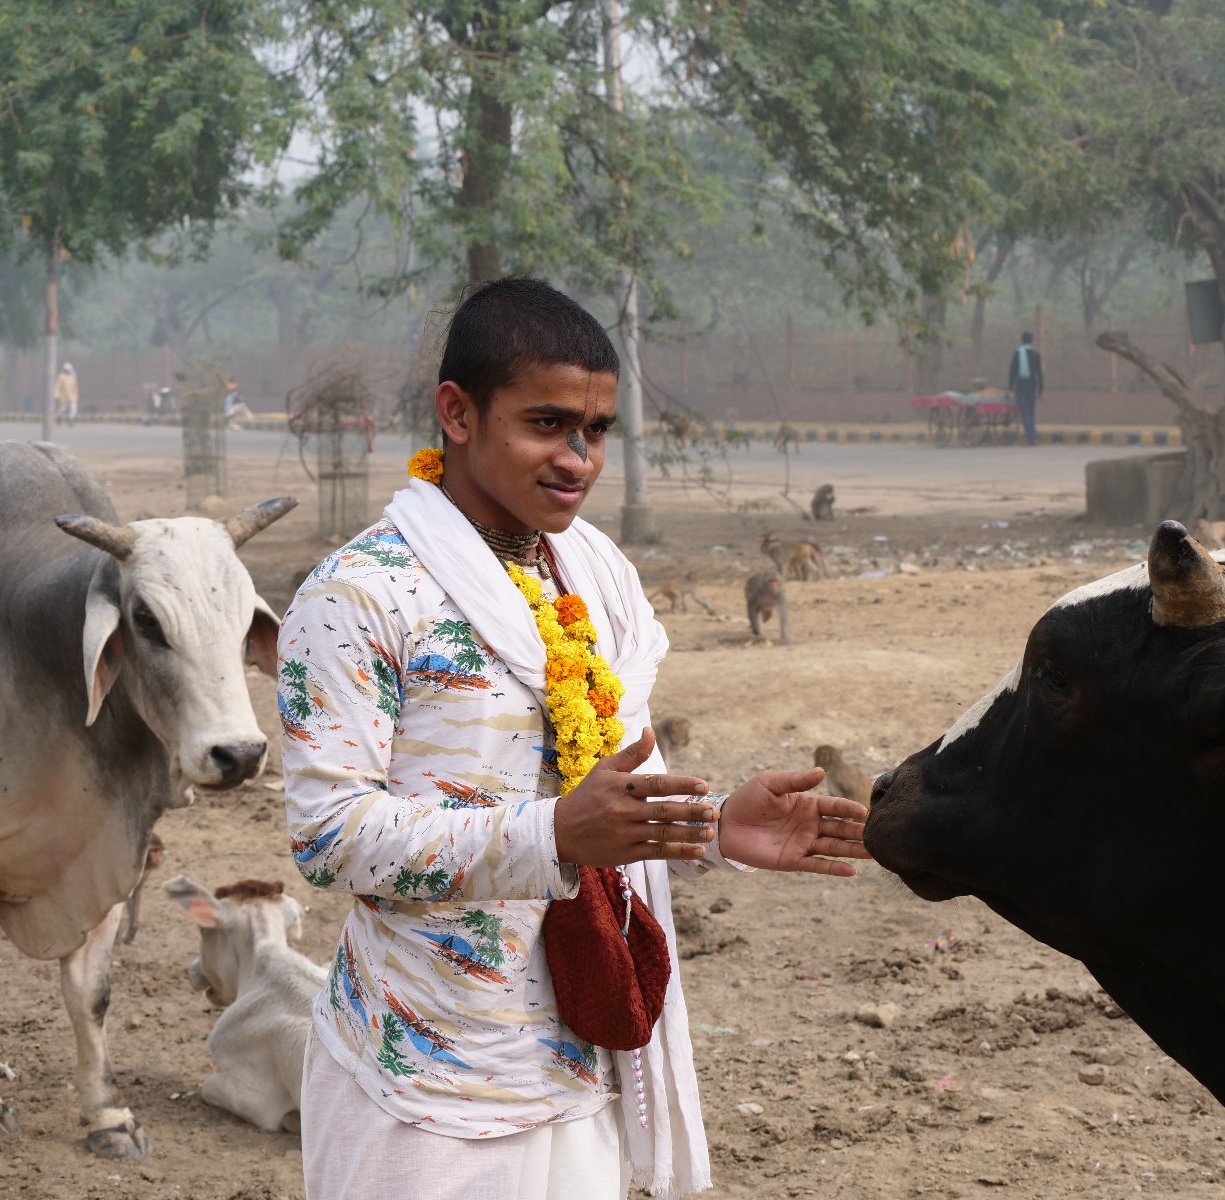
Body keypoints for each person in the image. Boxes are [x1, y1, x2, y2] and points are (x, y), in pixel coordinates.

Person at [280, 276, 870, 1200]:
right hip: (422, 1079)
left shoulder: (595, 579)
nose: (578, 459)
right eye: (547, 424)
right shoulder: (358, 596)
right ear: (458, 413)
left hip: (578, 1055)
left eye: (595, 431)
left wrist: (714, 828)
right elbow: (329, 834)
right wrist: (550, 835)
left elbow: (610, 804)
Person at [1007, 331, 1045, 446]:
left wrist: (1010, 387)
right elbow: (1040, 373)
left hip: (1021, 386)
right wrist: (1041, 389)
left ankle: (1032, 437)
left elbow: (1012, 372)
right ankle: (1032, 437)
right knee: (1030, 412)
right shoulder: (1036, 355)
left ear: (1022, 340)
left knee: (1025, 413)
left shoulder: (1017, 354)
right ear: (1031, 340)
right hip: (1032, 386)